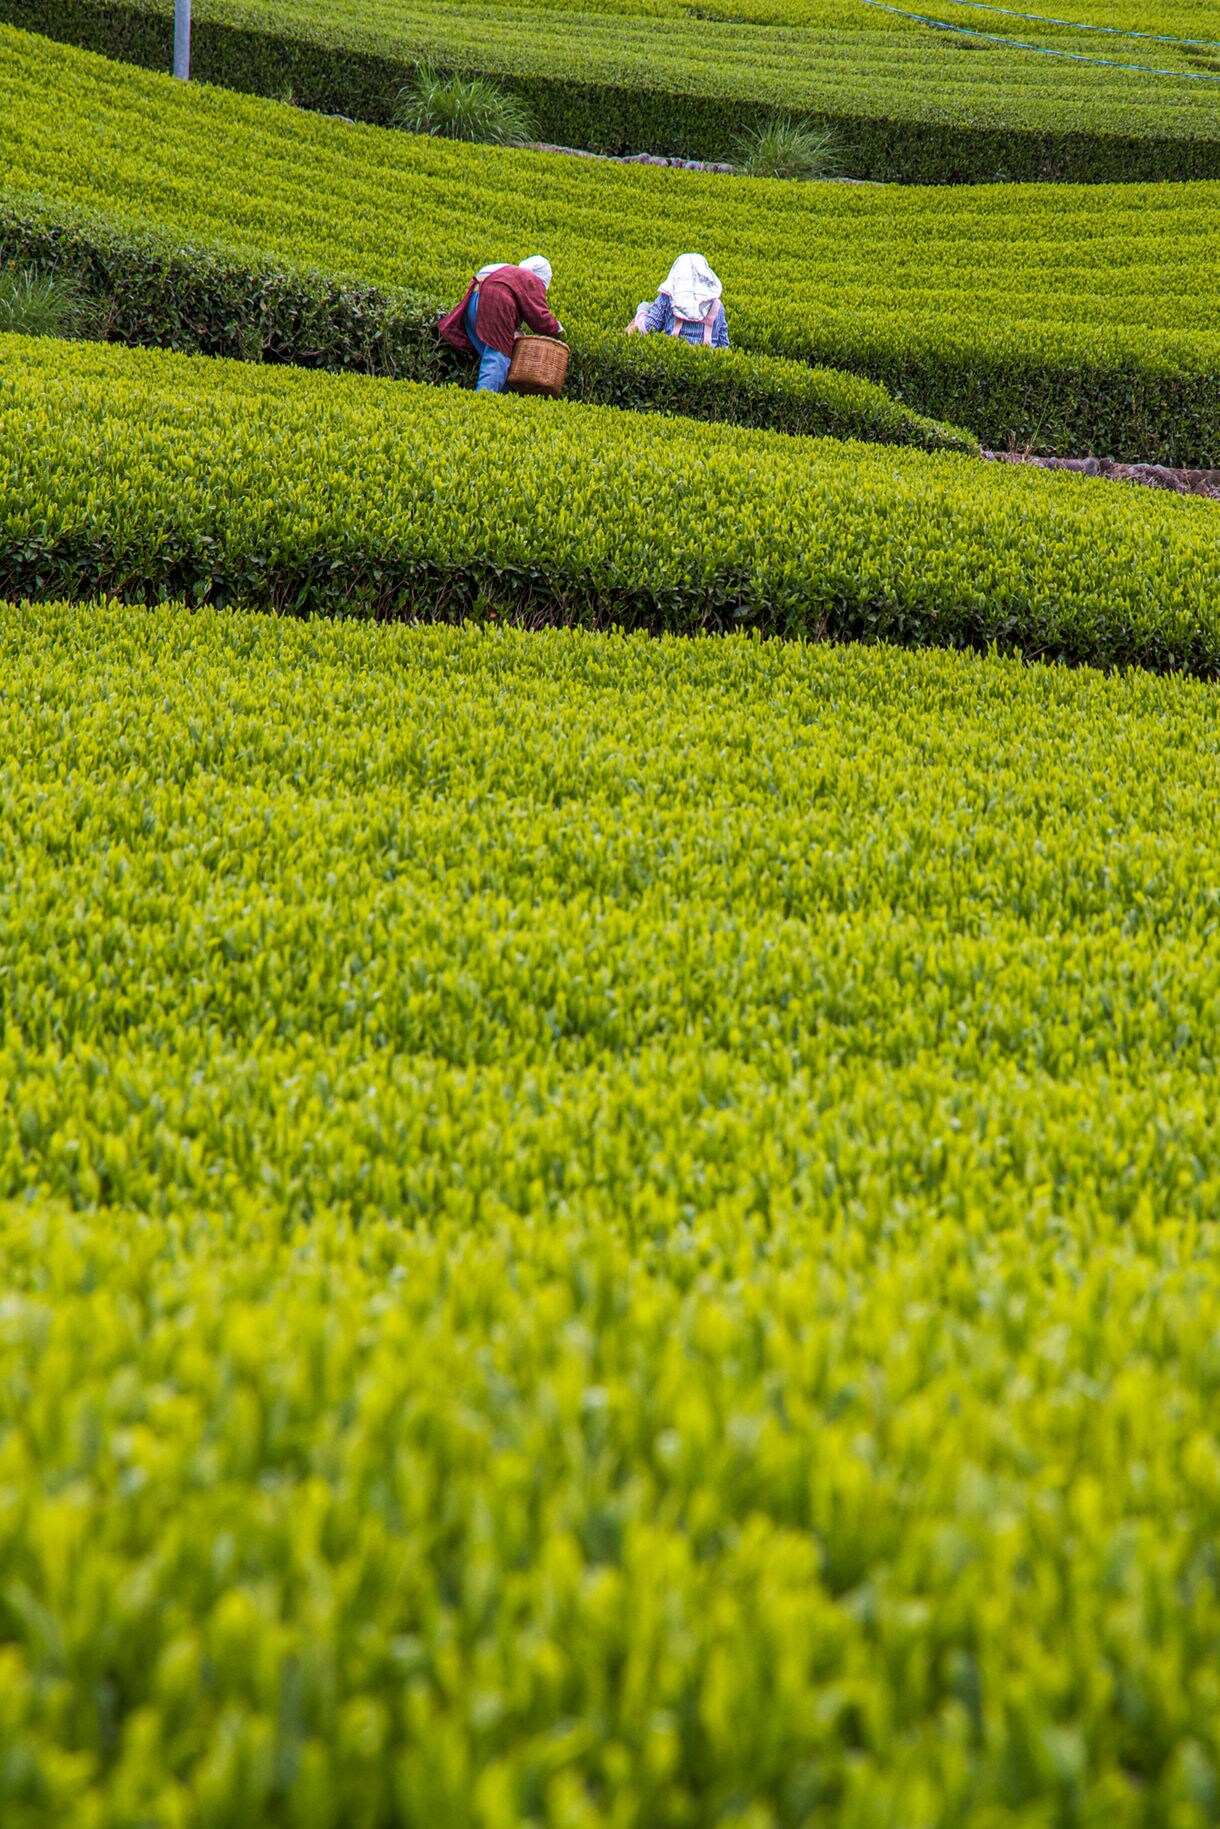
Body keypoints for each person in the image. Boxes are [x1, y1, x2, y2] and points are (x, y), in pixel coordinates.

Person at [437, 256, 564, 393]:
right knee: (498, 355)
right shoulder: (530, 278)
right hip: (494, 301)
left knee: (495, 356)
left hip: (473, 302)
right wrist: (557, 328)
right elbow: (539, 318)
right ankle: (483, 398)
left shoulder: (508, 271)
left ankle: (502, 397)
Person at [625, 253, 729, 348]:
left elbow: (647, 329)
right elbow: (724, 345)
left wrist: (642, 309)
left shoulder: (667, 299)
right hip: (706, 364)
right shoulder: (717, 306)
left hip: (672, 359)